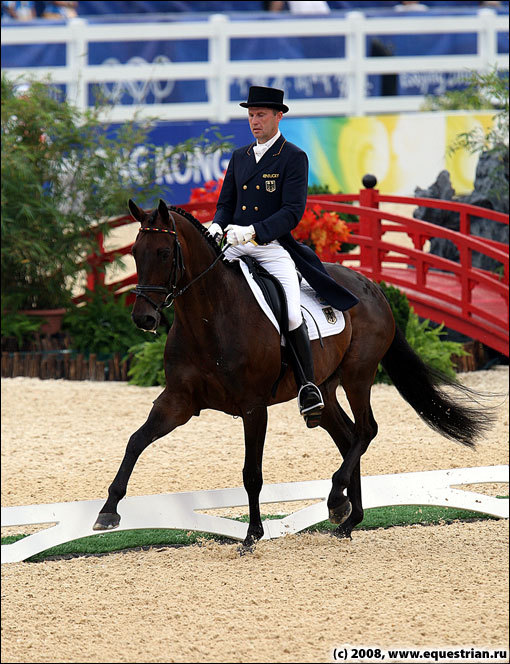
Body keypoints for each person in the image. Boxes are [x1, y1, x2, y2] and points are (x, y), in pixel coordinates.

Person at [208, 85, 359, 427]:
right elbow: (225, 204)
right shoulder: (240, 156)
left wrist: (255, 231)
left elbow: (292, 212)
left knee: (291, 313)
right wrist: (218, 226)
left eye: (261, 115)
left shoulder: (293, 157)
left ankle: (307, 386)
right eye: (250, 115)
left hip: (272, 249)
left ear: (278, 116)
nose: (254, 121)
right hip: (234, 243)